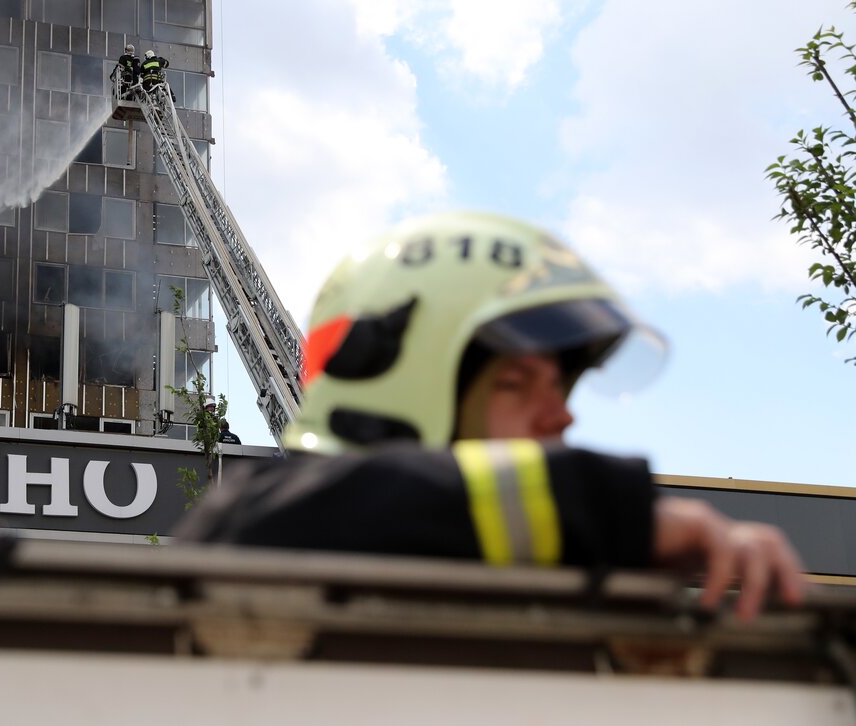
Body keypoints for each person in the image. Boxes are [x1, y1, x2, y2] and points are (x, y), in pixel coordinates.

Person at [175, 211, 805, 621]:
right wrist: (615, 513)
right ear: (407, 385)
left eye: (562, 388)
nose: (562, 419)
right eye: (515, 383)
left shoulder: (529, 578)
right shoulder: (259, 519)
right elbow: (276, 524)